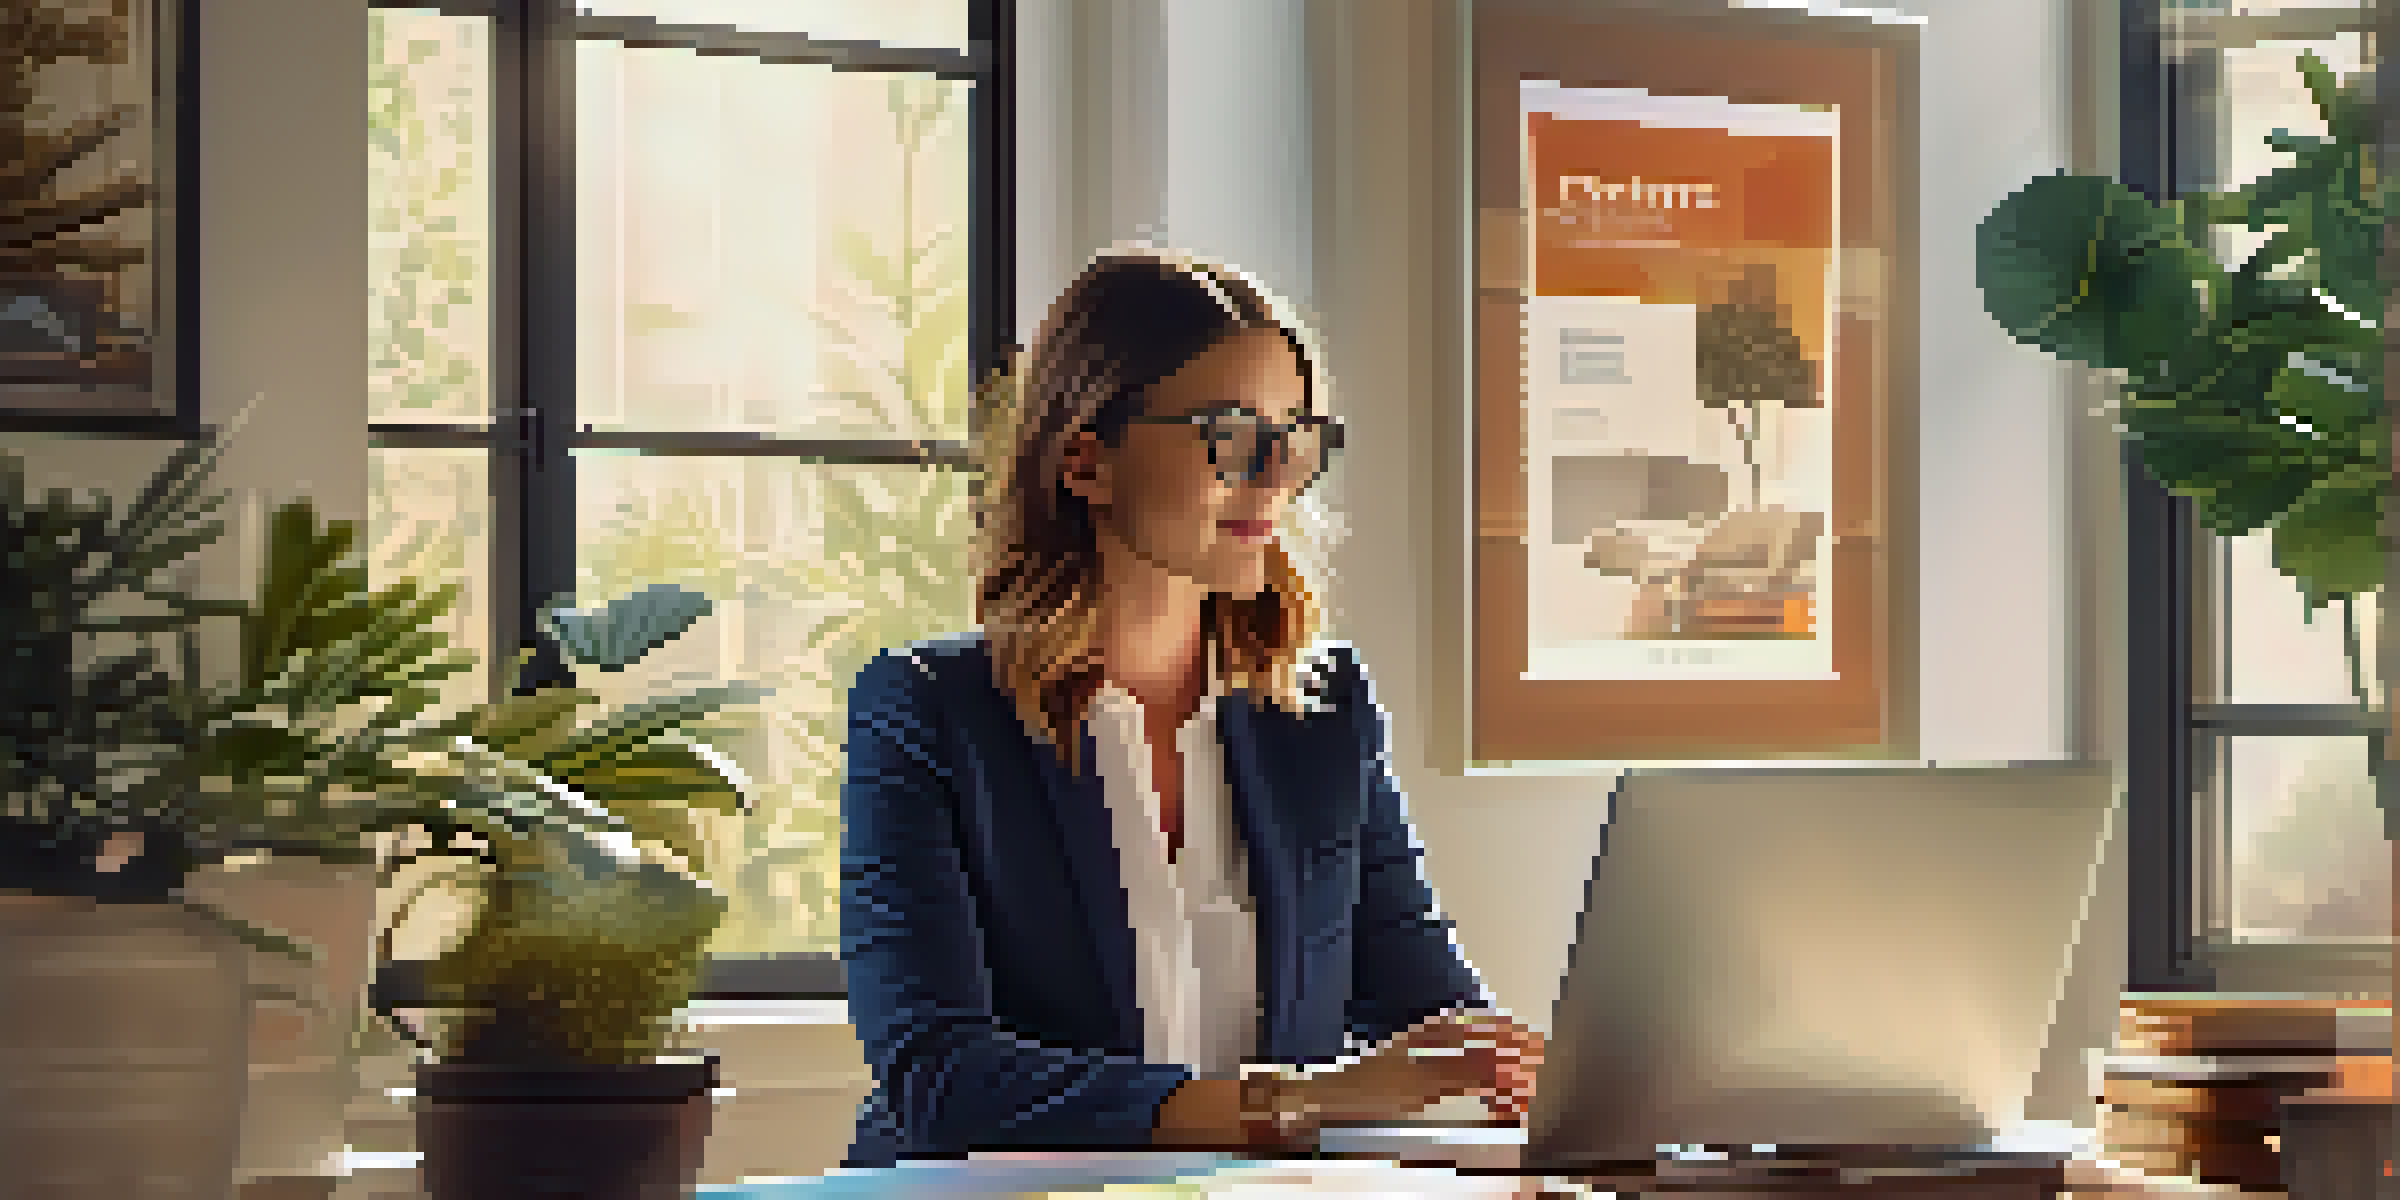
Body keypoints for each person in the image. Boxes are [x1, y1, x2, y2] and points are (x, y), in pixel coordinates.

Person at [839, 247, 1545, 1167]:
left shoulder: (1323, 715)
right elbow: (940, 1078)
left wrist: (1528, 1071)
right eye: (1232, 434)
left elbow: (1424, 1000)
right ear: (1085, 459)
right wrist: (1303, 1099)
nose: (1277, 475)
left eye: (1293, 437)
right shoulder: (927, 713)